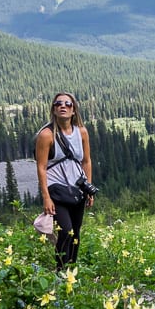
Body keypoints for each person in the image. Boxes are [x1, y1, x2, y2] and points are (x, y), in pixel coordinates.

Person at [36, 92, 94, 270]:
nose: (63, 106)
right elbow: (41, 167)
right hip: (56, 189)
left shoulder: (82, 132)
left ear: (74, 110)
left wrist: (89, 189)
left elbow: (86, 161)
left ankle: (72, 270)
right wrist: (46, 197)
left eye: (68, 104)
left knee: (75, 232)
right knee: (66, 231)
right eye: (58, 104)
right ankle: (61, 270)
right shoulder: (46, 135)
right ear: (53, 109)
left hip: (77, 188)